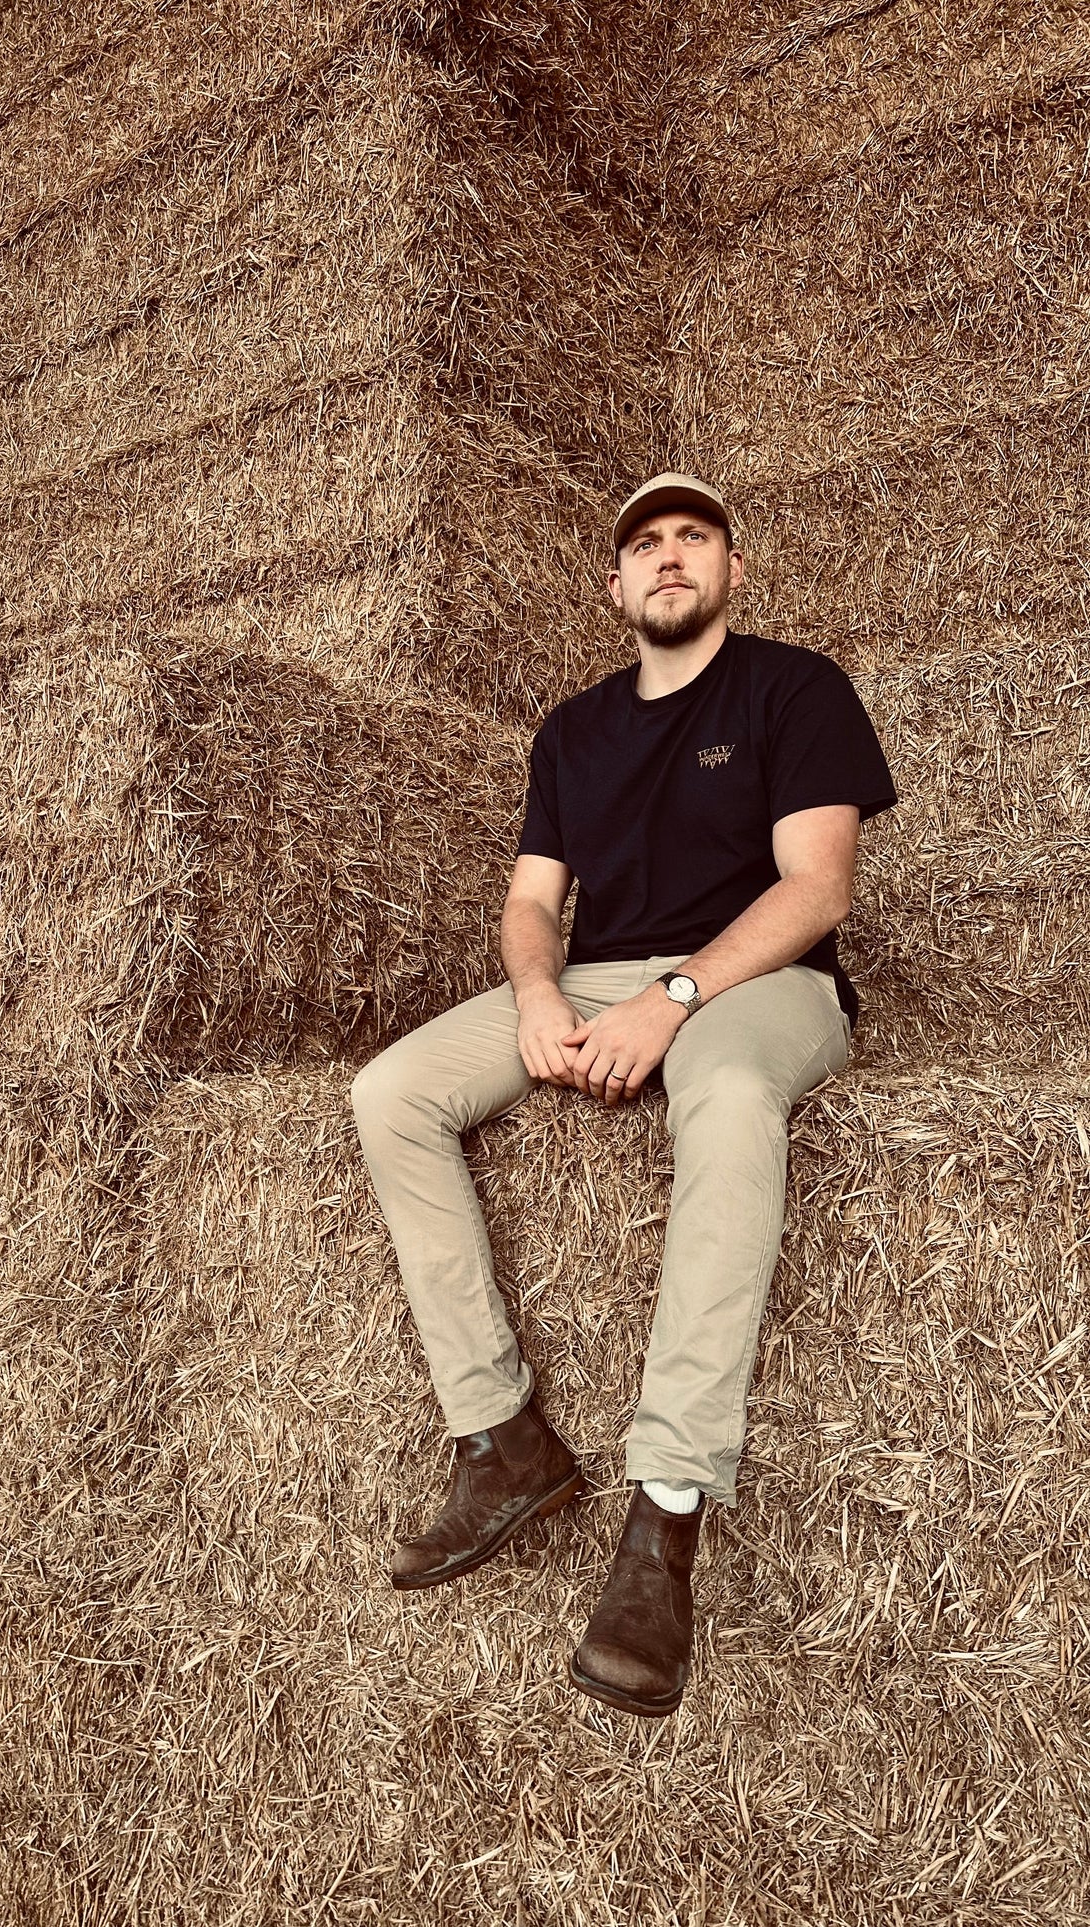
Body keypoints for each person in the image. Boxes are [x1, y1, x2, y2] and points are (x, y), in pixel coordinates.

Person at [349, 473, 898, 1718]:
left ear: (730, 569)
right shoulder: (569, 730)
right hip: (594, 977)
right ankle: (500, 1440)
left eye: (690, 538)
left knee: (724, 1105)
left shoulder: (792, 688)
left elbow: (815, 891)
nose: (666, 557)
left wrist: (675, 1002)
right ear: (613, 585)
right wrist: (541, 999)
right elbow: (532, 903)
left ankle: (663, 1515)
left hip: (759, 975)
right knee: (390, 1095)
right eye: (643, 544)